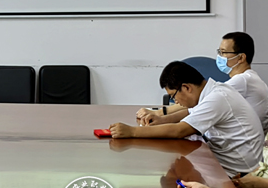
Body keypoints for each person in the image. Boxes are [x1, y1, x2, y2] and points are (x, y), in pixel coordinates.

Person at [111, 61, 263, 177]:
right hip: (230, 162)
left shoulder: (217, 98)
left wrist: (132, 131)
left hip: (239, 172)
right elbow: (189, 112)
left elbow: (179, 131)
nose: (175, 102)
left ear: (186, 87)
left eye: (173, 96)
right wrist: (162, 120)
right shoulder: (214, 91)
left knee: (180, 174)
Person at [136, 32, 268, 134]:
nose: (219, 57)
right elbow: (198, 107)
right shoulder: (247, 78)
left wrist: (161, 113)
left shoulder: (243, 81)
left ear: (241, 57)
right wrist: (162, 116)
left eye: (223, 53)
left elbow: (201, 104)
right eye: (219, 52)